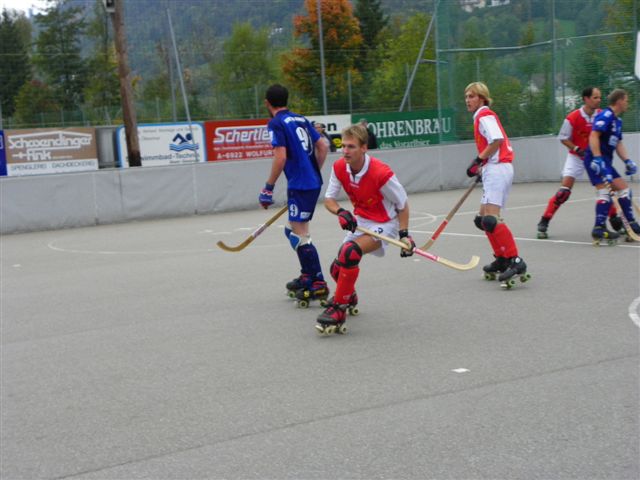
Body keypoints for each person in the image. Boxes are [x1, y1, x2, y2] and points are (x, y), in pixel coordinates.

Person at [318, 123, 415, 335]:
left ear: (364, 148)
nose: (345, 151)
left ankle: (339, 309)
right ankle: (349, 296)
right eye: (343, 146)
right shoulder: (339, 167)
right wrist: (341, 212)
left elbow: (402, 205)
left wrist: (405, 235)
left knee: (349, 253)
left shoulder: (381, 173)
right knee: (336, 269)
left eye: (351, 146)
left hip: (385, 222)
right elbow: (329, 199)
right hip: (361, 220)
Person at [259, 84, 330, 303]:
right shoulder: (300, 118)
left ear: (267, 103)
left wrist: (268, 188)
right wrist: (314, 170)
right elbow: (323, 146)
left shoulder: (276, 123)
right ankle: (308, 275)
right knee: (292, 231)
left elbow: (280, 157)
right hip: (309, 182)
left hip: (300, 185)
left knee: (300, 234)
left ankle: (318, 282)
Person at [464, 81, 529, 287]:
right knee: (482, 220)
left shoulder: (484, 115)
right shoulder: (480, 116)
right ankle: (502, 258)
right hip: (493, 168)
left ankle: (515, 260)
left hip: (498, 168)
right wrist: (482, 167)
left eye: (472, 96)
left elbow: (497, 140)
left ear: (482, 98)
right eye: (466, 97)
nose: (467, 100)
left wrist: (478, 160)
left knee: (491, 219)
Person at [536, 87, 623, 238]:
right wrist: (576, 148)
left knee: (605, 189)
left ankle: (615, 220)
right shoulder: (573, 117)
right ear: (586, 99)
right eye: (595, 97)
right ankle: (544, 221)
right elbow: (563, 138)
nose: (598, 100)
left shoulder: (602, 115)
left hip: (594, 157)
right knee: (563, 192)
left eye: (599, 97)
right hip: (576, 157)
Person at [583, 88, 639, 243]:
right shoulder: (606, 115)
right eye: (626, 100)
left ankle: (630, 224)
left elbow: (618, 143)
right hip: (595, 160)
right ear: (619, 101)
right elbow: (594, 135)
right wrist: (597, 159)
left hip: (606, 162)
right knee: (605, 192)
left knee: (624, 189)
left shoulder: (617, 121)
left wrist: (627, 161)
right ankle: (599, 228)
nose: (627, 103)